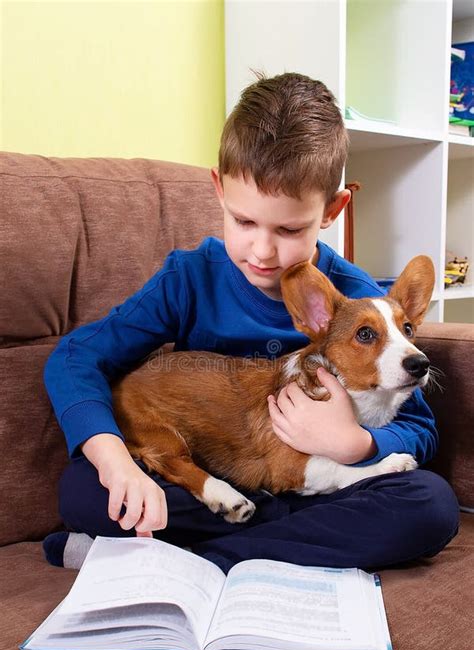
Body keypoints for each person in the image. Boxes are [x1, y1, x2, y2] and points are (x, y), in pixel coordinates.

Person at [43, 72, 459, 574]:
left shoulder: (356, 299)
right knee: (84, 492)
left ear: (332, 209)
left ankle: (197, 561)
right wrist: (114, 462)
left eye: (288, 229)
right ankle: (264, 547)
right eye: (244, 222)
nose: (262, 251)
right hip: (210, 482)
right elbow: (75, 357)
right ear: (218, 190)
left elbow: (420, 429)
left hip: (320, 489)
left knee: (430, 505)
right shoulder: (188, 278)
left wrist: (356, 444)